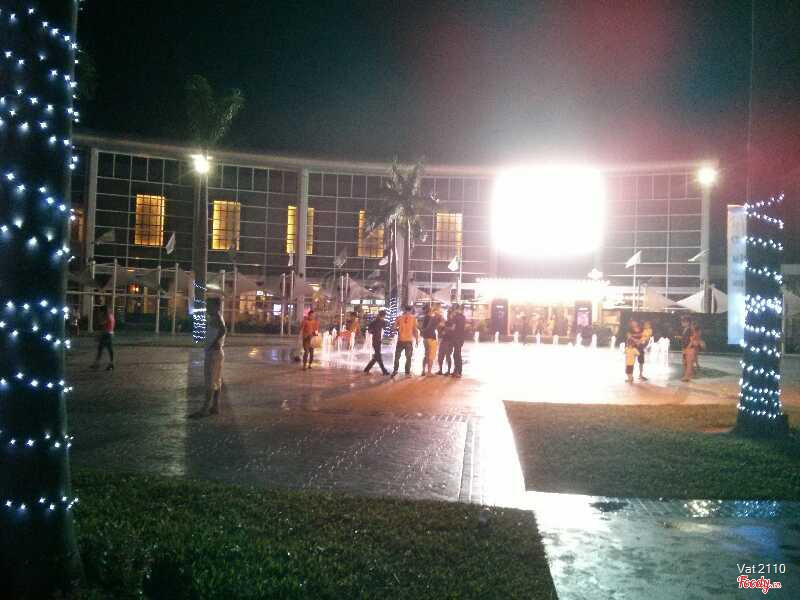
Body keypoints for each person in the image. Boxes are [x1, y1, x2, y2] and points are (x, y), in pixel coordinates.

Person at [193, 297, 226, 417]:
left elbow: (223, 330)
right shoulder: (216, 316)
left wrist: (214, 343)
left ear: (216, 307)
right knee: (216, 380)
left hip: (213, 353)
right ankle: (215, 406)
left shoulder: (216, 317)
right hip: (217, 353)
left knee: (210, 381)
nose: (207, 307)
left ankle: (204, 409)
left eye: (209, 305)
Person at [392, 305, 419, 377]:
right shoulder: (413, 318)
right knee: (408, 358)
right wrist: (417, 340)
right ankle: (407, 373)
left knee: (397, 356)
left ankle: (395, 370)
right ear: (411, 310)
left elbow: (394, 328)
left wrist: (398, 329)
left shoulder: (399, 317)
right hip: (409, 341)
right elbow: (415, 330)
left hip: (400, 340)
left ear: (404, 310)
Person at [363, 310, 389, 375]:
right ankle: (384, 371)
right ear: (383, 316)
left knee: (376, 357)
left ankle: (367, 369)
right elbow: (385, 325)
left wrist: (373, 332)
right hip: (377, 341)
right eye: (384, 316)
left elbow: (369, 330)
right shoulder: (381, 321)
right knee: (378, 356)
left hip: (375, 340)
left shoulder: (374, 322)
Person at [91, 305, 115, 371]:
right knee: (109, 349)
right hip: (110, 333)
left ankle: (97, 364)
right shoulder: (111, 315)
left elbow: (102, 324)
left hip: (106, 334)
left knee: (101, 349)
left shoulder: (107, 316)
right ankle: (110, 363)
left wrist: (99, 335)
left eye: (101, 311)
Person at [420, 305, 441, 375]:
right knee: (431, 356)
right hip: (431, 339)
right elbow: (439, 325)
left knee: (426, 355)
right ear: (430, 311)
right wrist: (438, 315)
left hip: (425, 338)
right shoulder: (432, 319)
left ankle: (423, 371)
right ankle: (429, 372)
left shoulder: (424, 318)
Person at [450, 303, 467, 378]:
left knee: (456, 355)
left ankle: (458, 372)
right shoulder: (463, 317)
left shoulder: (455, 317)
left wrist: (446, 328)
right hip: (461, 338)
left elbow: (453, 328)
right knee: (457, 354)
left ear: (455, 309)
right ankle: (457, 370)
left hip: (456, 338)